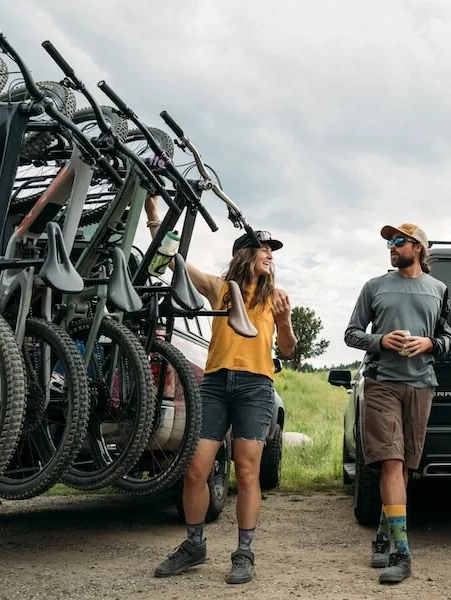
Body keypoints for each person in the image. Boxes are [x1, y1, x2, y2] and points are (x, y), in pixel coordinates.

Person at [144, 196, 298, 584]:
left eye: (272, 252)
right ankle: (194, 545)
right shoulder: (220, 289)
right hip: (214, 383)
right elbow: (173, 257)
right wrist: (152, 213)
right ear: (244, 254)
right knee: (195, 468)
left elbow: (289, 349)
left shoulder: (276, 298)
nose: (270, 256)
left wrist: (284, 323)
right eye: (264, 249)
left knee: (247, 471)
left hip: (256, 385)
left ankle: (244, 553)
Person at [344, 222, 451, 585]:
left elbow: (448, 336)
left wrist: (430, 345)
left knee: (404, 467)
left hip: (421, 385)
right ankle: (402, 553)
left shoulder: (439, 289)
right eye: (390, 241)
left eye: (399, 241)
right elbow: (351, 333)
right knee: (391, 461)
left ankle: (382, 535)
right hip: (382, 385)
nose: (392, 246)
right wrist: (381, 340)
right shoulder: (374, 286)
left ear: (418, 247)